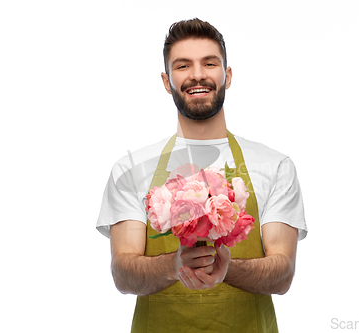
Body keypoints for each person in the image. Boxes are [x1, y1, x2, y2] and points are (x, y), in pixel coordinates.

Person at [96, 18, 307, 332]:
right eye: (183, 66)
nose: (197, 74)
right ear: (167, 81)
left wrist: (226, 268)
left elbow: (283, 274)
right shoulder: (130, 169)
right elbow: (123, 274)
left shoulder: (275, 165)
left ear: (227, 75)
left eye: (209, 63)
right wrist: (175, 264)